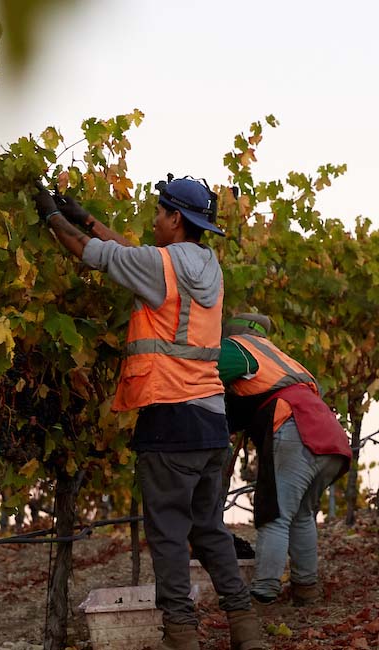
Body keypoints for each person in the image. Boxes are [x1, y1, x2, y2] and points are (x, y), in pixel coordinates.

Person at [32, 177, 265, 650]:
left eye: (159, 212)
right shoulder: (207, 266)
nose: (153, 220)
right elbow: (135, 255)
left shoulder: (160, 267)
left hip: (169, 418)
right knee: (209, 530)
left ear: (176, 219)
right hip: (210, 422)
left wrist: (52, 217)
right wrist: (89, 219)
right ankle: (246, 627)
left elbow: (88, 253)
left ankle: (181, 635)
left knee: (167, 537)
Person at [216, 313, 351, 606]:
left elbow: (199, 376)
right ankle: (306, 589)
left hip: (295, 431)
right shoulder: (281, 358)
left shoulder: (237, 347)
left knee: (274, 514)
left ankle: (264, 591)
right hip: (330, 437)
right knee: (301, 515)